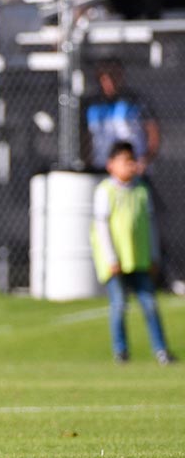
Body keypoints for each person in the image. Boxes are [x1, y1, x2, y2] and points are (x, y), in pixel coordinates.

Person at [90, 141, 175, 366]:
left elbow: (150, 227)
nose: (130, 165)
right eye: (125, 161)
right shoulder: (105, 191)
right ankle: (121, 352)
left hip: (139, 261)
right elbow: (101, 227)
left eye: (132, 161)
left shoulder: (141, 191)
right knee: (119, 305)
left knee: (149, 304)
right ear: (111, 165)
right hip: (116, 262)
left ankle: (161, 351)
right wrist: (111, 258)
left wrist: (154, 256)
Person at [83, 59, 160, 175]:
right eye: (105, 78)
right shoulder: (91, 105)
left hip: (134, 170)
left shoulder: (137, 102)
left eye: (114, 76)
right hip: (101, 168)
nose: (110, 82)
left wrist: (144, 160)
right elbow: (86, 138)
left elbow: (153, 133)